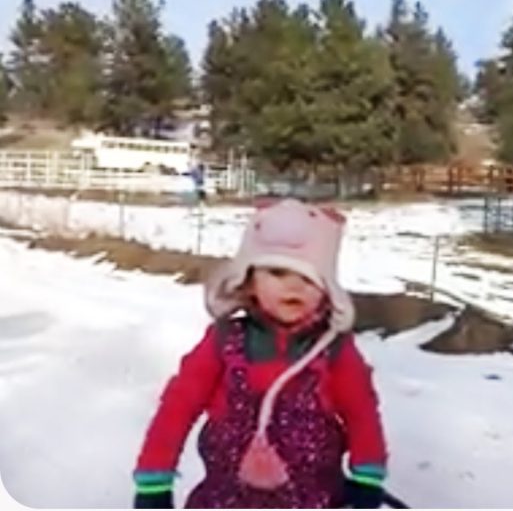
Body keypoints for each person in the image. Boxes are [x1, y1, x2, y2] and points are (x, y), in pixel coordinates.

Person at [132, 198, 388, 508]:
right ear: (249, 281)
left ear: (327, 289)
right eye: (278, 273)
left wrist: (368, 473)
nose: (294, 286)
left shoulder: (334, 350)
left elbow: (361, 411)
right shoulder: (224, 341)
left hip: (312, 500)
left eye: (309, 278)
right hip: (227, 499)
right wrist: (154, 479)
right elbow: (178, 406)